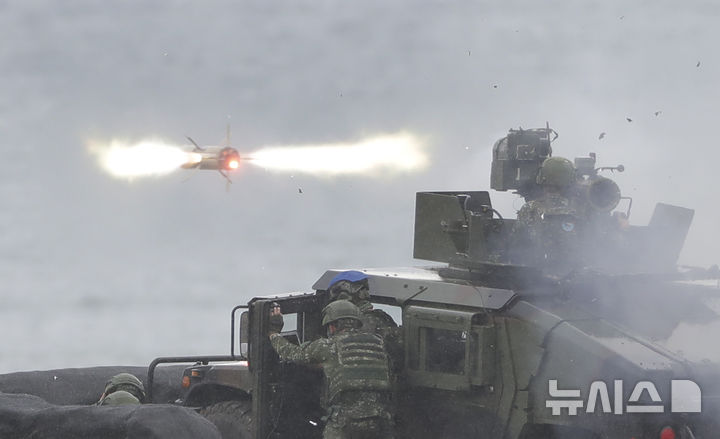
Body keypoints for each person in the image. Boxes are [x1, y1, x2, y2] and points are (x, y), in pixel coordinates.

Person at [269, 300, 394, 439]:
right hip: (379, 420)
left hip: (346, 422)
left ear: (333, 326)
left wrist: (274, 333)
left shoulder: (330, 346)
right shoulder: (378, 343)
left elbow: (292, 353)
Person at [512, 156, 580, 272]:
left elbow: (517, 240)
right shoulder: (577, 210)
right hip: (571, 272)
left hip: (535, 273)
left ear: (542, 178)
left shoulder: (530, 208)